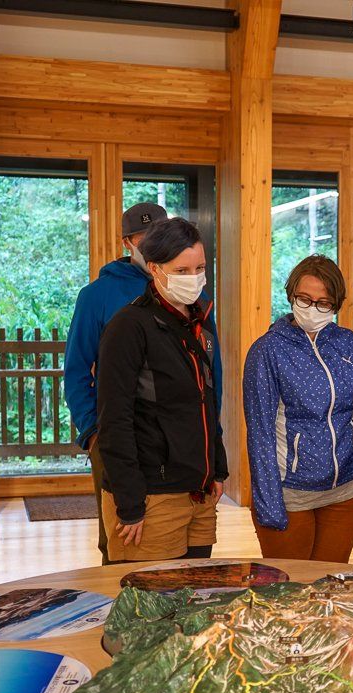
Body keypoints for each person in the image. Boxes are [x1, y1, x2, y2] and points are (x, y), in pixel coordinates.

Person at [64, 202, 223, 565]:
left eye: (197, 268)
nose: (156, 242)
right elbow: (80, 372)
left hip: (190, 469)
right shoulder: (106, 301)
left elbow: (208, 387)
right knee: (125, 552)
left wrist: (215, 458)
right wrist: (94, 432)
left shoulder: (198, 308)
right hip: (129, 449)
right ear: (130, 244)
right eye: (146, 237)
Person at [243, 254, 353, 562]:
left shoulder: (349, 345)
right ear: (291, 294)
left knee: (329, 586)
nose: (312, 309)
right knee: (291, 590)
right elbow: (260, 433)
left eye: (323, 303)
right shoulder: (267, 350)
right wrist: (268, 501)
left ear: (336, 305)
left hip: (344, 489)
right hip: (291, 492)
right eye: (304, 299)